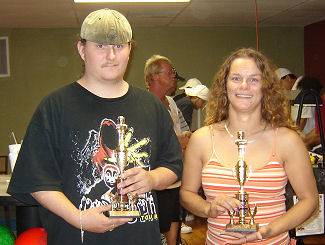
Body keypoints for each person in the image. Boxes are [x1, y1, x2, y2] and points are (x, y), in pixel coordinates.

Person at [8, 9, 182, 245]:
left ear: (130, 49)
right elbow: (37, 180)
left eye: (119, 46)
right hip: (76, 236)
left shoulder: (151, 105)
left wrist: (152, 179)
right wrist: (79, 218)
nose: (111, 55)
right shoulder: (55, 107)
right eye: (100, 46)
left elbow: (173, 165)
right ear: (82, 49)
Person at [180, 48, 318, 244]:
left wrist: (270, 229)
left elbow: (310, 200)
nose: (244, 86)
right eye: (236, 78)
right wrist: (207, 209)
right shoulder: (202, 139)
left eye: (254, 79)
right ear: (224, 85)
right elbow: (186, 194)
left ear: (266, 87)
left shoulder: (288, 140)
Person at [144, 54, 192, 244]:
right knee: (157, 224)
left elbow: (184, 131)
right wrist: (176, 141)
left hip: (176, 176)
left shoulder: (171, 103)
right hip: (156, 178)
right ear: (155, 76)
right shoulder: (144, 104)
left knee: (174, 218)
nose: (174, 76)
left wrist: (186, 138)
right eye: (170, 72)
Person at [275, 68, 312, 132]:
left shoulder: (302, 85)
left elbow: (302, 121)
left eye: (279, 83)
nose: (279, 88)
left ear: (288, 78)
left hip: (308, 136)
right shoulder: (292, 93)